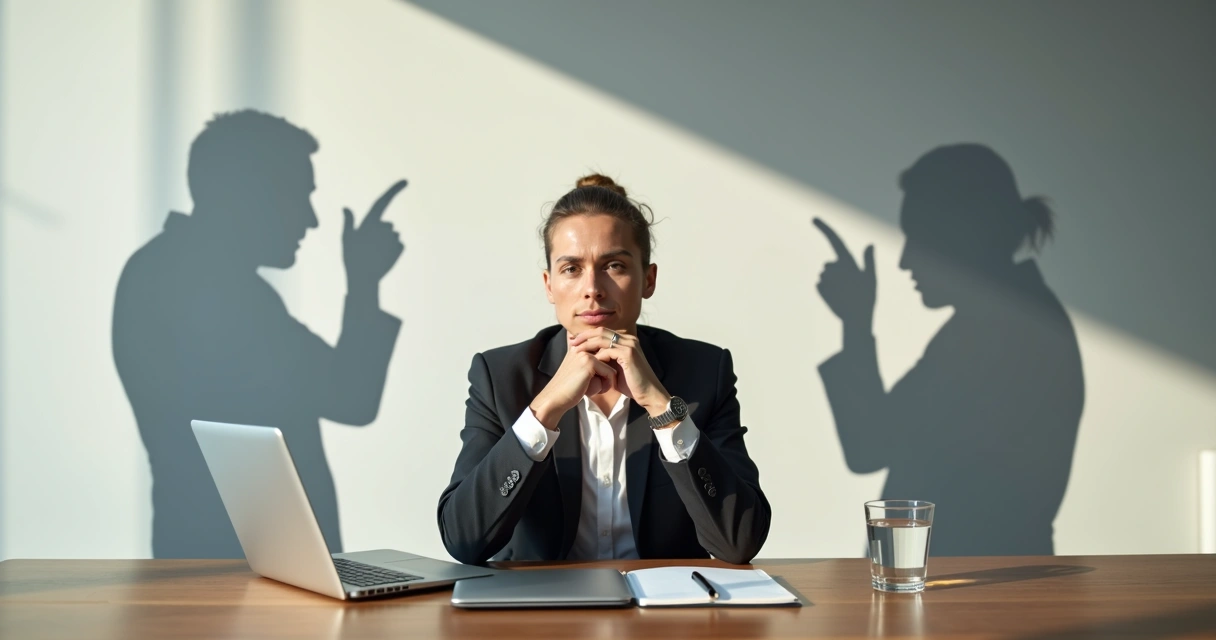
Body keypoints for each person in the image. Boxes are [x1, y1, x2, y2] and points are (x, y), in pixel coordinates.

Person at [113, 110, 406, 558]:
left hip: (221, 564)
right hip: (248, 573)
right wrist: (363, 282)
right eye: (296, 196)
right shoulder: (215, 290)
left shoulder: (165, 271)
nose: (310, 220)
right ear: (246, 195)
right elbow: (350, 396)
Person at [437, 174, 770, 565]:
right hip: (543, 616)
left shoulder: (703, 372)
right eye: (572, 269)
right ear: (549, 285)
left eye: (613, 265)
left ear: (648, 279)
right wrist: (544, 411)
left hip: (663, 618)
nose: (592, 288)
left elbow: (739, 542)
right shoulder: (500, 377)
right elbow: (463, 539)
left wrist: (663, 408)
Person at [814, 144, 1084, 556]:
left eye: (918, 239)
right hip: (969, 583)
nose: (904, 262)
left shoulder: (1001, 334)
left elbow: (869, 445)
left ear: (963, 237)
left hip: (973, 589)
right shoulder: (1002, 323)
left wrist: (856, 322)